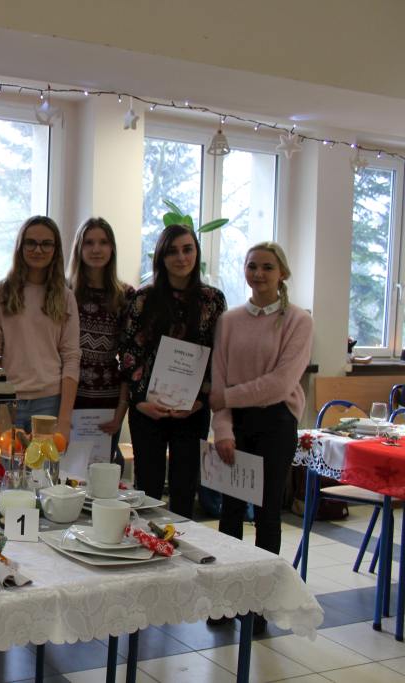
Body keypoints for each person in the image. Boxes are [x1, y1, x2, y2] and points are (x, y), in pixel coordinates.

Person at [209, 242, 313, 634]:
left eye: (268, 267)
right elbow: (219, 379)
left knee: (267, 515)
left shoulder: (298, 320)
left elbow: (280, 384)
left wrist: (227, 398)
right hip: (235, 426)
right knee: (230, 514)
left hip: (275, 423)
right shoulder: (229, 320)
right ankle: (227, 599)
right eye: (252, 266)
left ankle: (259, 604)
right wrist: (223, 428)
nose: (259, 274)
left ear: (282, 273)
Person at [119, 224, 226, 518]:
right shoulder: (142, 299)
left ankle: (180, 542)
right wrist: (140, 401)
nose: (181, 257)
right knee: (148, 491)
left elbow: (219, 355)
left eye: (187, 249)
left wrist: (200, 400)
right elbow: (129, 353)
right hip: (147, 410)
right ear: (161, 257)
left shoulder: (213, 300)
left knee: (184, 491)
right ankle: (146, 541)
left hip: (192, 410)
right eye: (172, 251)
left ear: (196, 253)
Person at [0, 216, 81, 434]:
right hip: (7, 400)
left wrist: (65, 418)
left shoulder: (65, 297)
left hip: (50, 401)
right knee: (5, 457)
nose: (38, 250)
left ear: (55, 249)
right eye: (31, 243)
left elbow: (71, 357)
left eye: (46, 244)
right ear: (20, 246)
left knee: (46, 458)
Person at [67, 217, 133, 462]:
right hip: (68, 398)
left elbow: (129, 359)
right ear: (79, 248)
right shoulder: (65, 291)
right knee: (65, 473)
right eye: (89, 242)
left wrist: (121, 411)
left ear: (112, 248)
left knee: (102, 472)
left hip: (107, 403)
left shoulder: (125, 295)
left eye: (103, 242)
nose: (96, 249)